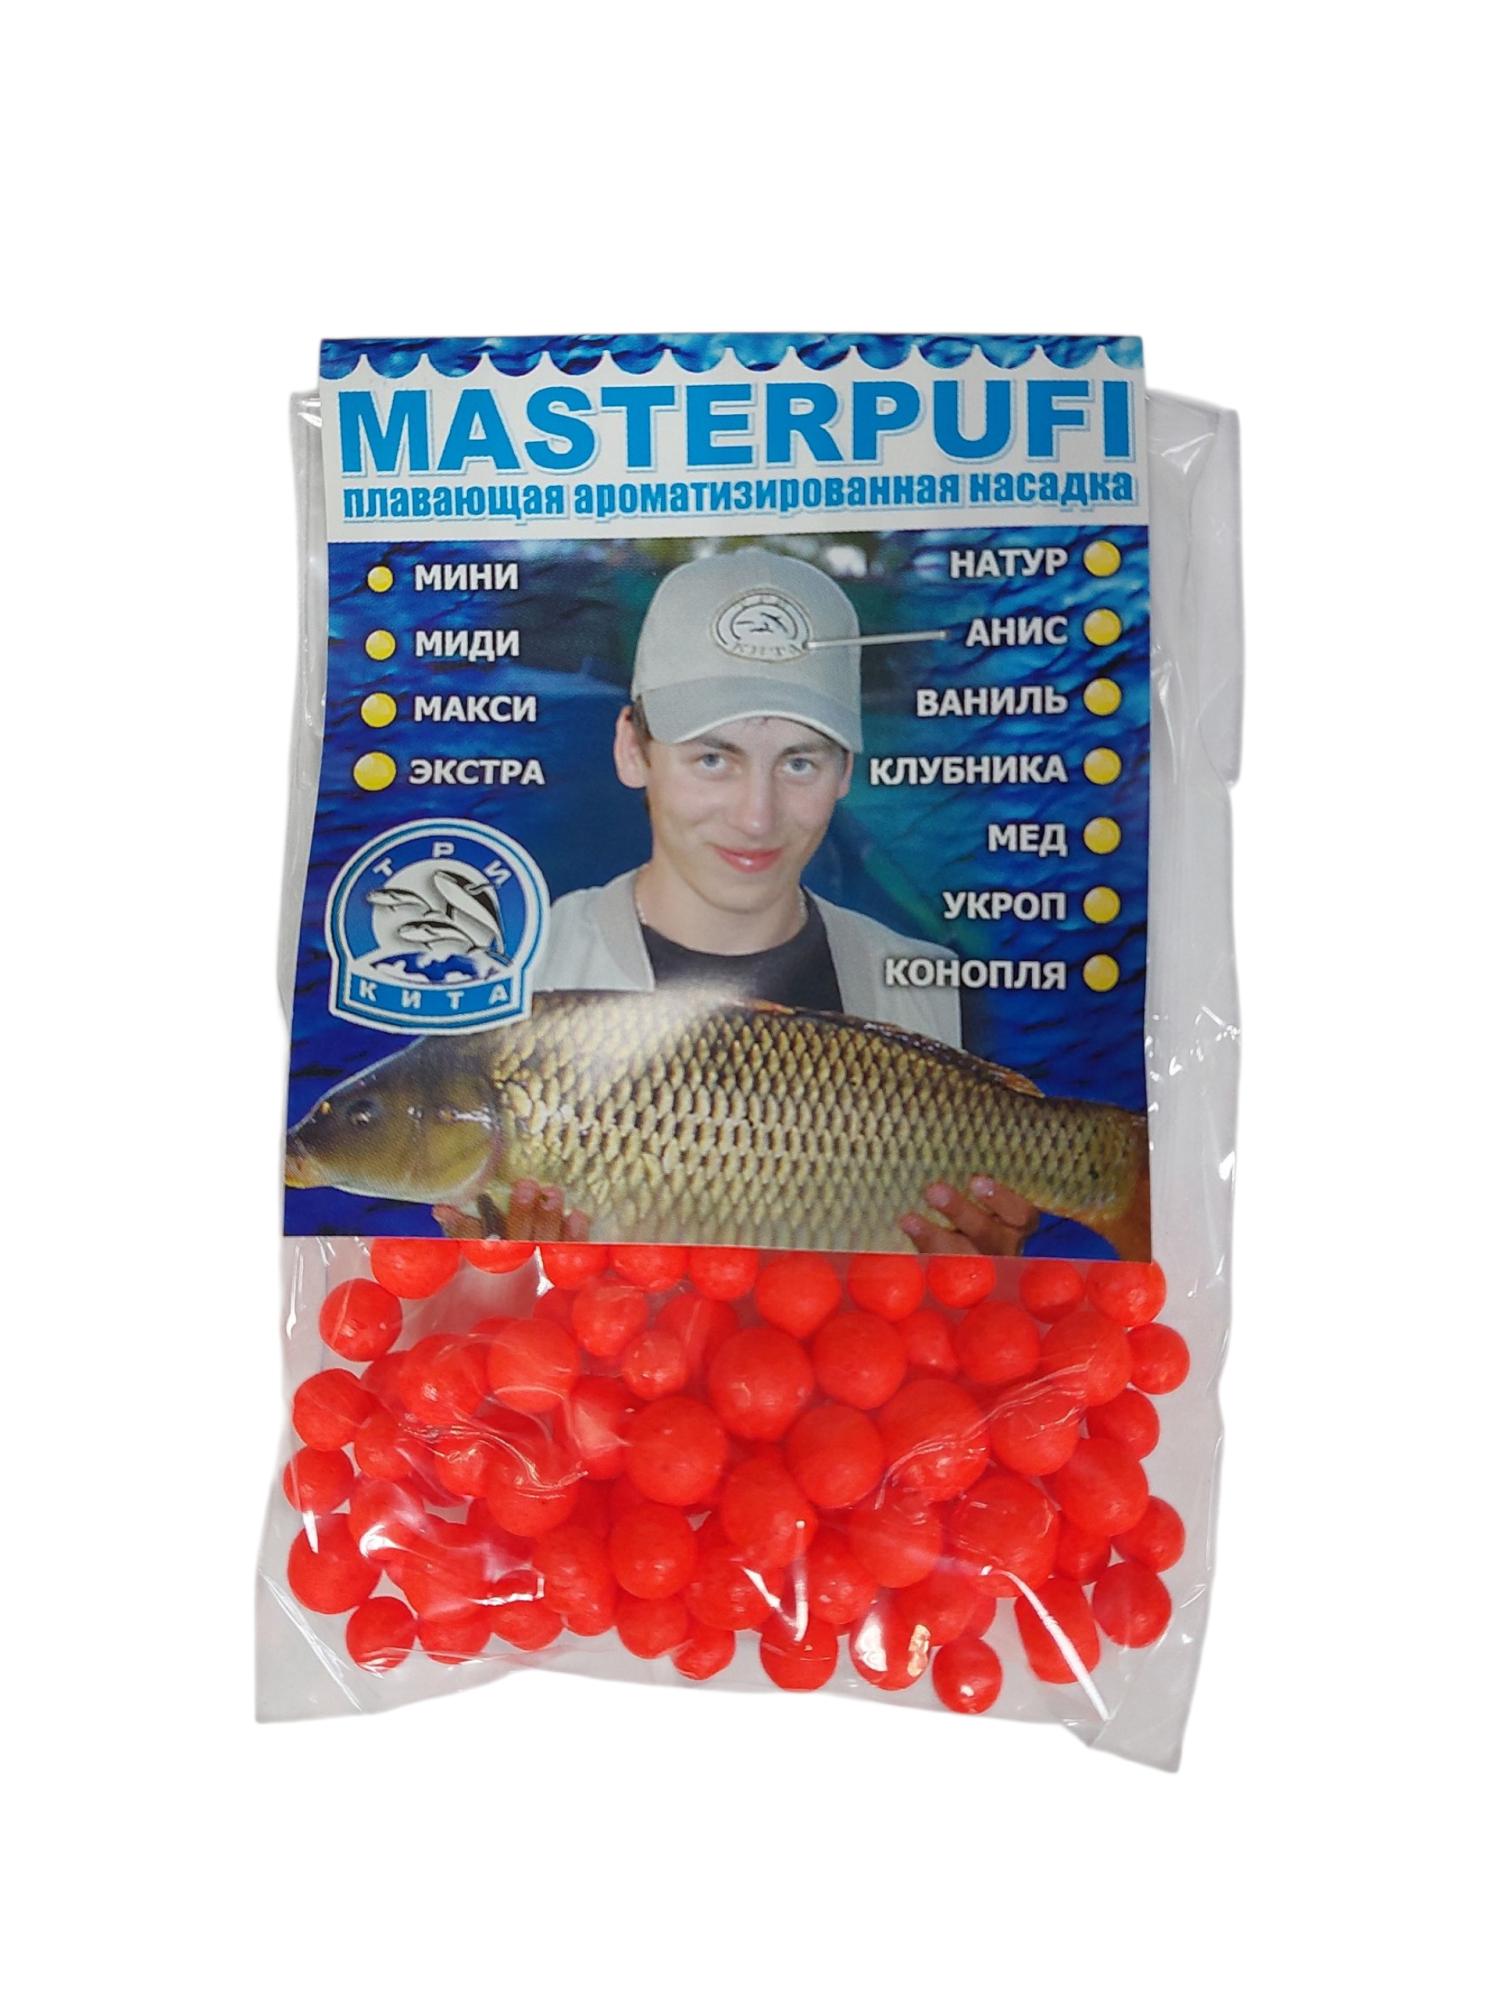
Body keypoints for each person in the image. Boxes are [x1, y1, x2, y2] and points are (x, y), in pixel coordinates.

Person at [440, 549, 1037, 1256]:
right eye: (713, 759)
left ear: (846, 771)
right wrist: (503, 1275)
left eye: (800, 762)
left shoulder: (932, 989)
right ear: (632, 749)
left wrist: (983, 1278)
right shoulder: (511, 980)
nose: (757, 817)